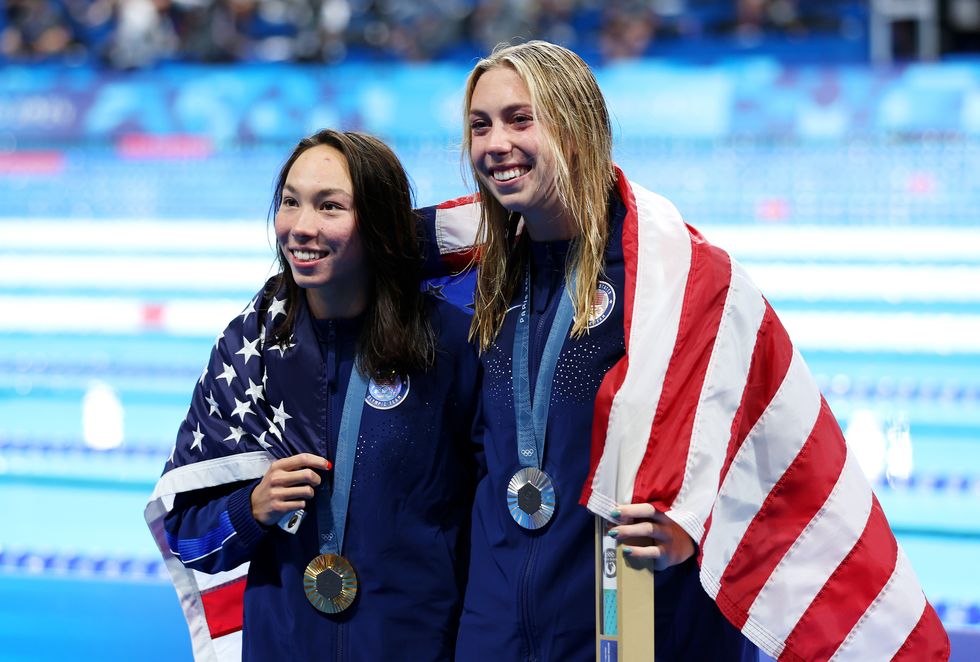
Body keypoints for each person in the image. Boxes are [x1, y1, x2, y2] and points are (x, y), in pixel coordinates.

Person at [439, 40, 948, 661]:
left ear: (575, 128)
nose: (496, 143)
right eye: (479, 125)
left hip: (633, 624)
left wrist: (698, 521)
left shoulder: (677, 282)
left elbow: (760, 448)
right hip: (496, 629)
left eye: (521, 119)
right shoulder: (473, 279)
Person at [144, 129, 481, 661]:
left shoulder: (448, 347)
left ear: (378, 223)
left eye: (330, 207)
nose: (302, 227)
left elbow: (487, 527)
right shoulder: (248, 350)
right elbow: (187, 539)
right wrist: (249, 508)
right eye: (290, 203)